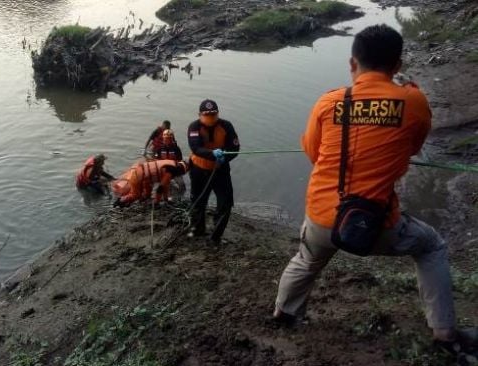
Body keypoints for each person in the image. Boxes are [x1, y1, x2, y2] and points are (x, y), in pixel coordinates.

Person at [272, 24, 476, 351]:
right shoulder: (413, 100)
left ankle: (283, 312)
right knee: (431, 246)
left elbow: (313, 152)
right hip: (378, 225)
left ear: (353, 63)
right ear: (397, 65)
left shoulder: (328, 102)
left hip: (323, 217)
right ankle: (445, 335)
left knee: (307, 258)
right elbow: (412, 147)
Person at [187, 99, 239, 245]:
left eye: (213, 115)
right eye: (207, 115)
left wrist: (225, 157)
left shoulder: (226, 126)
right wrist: (212, 153)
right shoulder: (194, 127)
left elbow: (235, 148)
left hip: (220, 170)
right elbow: (195, 148)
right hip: (199, 170)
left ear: (217, 114)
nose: (210, 118)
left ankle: (215, 236)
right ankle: (198, 229)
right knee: (198, 201)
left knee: (225, 203)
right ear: (200, 114)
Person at [112, 160, 189, 207]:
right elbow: (161, 188)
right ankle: (119, 202)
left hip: (144, 176)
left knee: (147, 194)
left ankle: (142, 201)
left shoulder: (172, 163)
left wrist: (166, 199)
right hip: (138, 176)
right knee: (135, 195)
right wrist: (157, 202)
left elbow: (166, 185)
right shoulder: (171, 171)